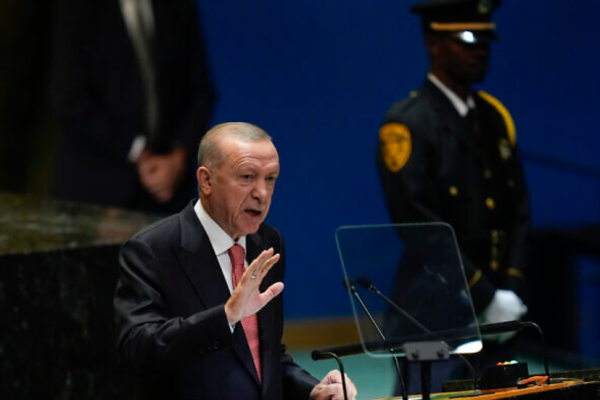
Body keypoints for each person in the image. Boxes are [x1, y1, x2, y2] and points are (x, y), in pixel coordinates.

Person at [114, 122, 358, 400]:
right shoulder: (152, 249)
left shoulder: (267, 242)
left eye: (270, 179)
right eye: (247, 177)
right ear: (206, 181)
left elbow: (263, 356)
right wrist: (226, 316)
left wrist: (312, 389)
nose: (262, 194)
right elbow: (136, 350)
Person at [376, 0, 530, 392]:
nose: (479, 50)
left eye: (485, 41)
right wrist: (484, 294)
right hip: (434, 312)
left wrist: (508, 287)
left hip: (500, 311)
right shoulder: (408, 122)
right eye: (466, 39)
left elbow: (517, 211)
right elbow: (419, 226)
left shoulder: (494, 118)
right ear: (433, 43)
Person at [51, 0, 215, 214]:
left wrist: (179, 156)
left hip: (168, 194)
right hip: (95, 195)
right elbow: (69, 99)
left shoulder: (177, 6)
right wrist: (137, 152)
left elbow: (202, 91)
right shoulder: (78, 8)